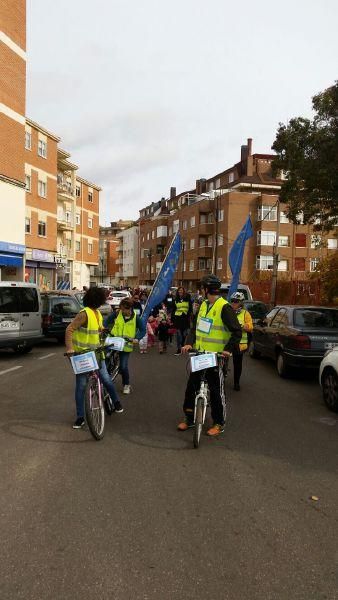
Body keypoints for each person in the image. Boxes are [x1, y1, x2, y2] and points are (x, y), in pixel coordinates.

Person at [178, 275, 242, 437]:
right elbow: (194, 328)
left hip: (216, 357)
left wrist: (228, 349)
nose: (201, 290)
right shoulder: (204, 305)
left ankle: (218, 423)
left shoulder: (224, 307)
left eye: (202, 288)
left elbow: (237, 331)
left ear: (207, 290)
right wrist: (188, 343)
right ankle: (190, 418)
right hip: (199, 355)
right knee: (191, 387)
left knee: (216, 391)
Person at [65, 287, 123, 430]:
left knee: (106, 379)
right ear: (98, 300)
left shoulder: (96, 313)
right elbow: (69, 329)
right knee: (81, 386)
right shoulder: (84, 314)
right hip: (82, 355)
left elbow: (97, 329)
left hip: (96, 353)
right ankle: (80, 417)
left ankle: (116, 401)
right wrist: (69, 348)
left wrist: (103, 330)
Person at [108, 297, 146, 394]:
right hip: (113, 342)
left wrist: (137, 338)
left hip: (126, 345)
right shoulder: (117, 313)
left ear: (130, 308)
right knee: (105, 361)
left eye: (124, 309)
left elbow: (142, 330)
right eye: (121, 308)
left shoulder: (136, 318)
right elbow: (106, 321)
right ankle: (107, 380)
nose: (122, 311)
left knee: (123, 367)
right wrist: (103, 328)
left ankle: (126, 384)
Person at [230, 292, 253, 391]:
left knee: (237, 363)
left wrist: (244, 326)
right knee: (221, 361)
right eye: (233, 301)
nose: (234, 303)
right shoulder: (228, 311)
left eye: (236, 301)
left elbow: (250, 327)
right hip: (227, 342)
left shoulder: (245, 313)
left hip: (239, 343)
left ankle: (236, 382)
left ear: (241, 303)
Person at [172, 286, 192, 355]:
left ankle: (183, 346)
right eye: (179, 290)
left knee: (184, 334)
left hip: (185, 318)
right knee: (178, 334)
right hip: (177, 318)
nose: (180, 291)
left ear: (184, 291)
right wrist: (172, 319)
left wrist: (189, 316)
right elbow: (173, 310)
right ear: (178, 292)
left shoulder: (187, 298)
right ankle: (178, 349)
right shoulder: (175, 299)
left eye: (181, 290)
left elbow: (190, 308)